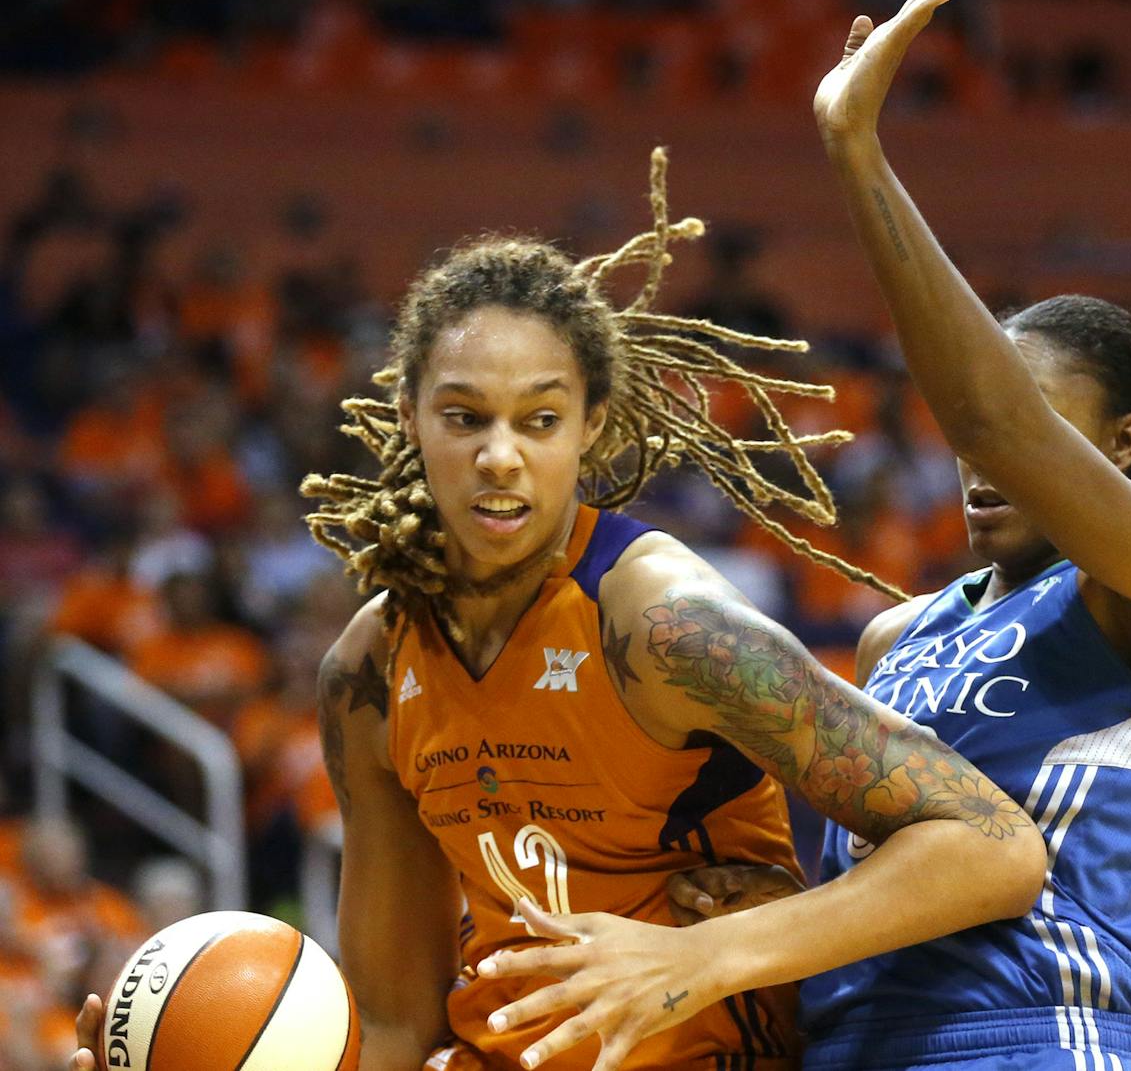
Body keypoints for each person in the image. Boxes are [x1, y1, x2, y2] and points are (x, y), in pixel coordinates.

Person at [489, 0, 1131, 1071]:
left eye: (1033, 426)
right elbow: (884, 882)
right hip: (850, 1044)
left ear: (1120, 446)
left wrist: (854, 147)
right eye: (977, 436)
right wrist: (772, 894)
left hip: (1035, 1040)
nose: (976, 466)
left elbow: (989, 424)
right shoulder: (893, 636)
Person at [69, 148, 1047, 1071]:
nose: (501, 455)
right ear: (409, 418)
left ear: (590, 426)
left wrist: (704, 958)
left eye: (538, 419)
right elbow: (399, 1020)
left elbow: (992, 848)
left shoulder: (665, 625)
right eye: (465, 417)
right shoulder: (368, 675)